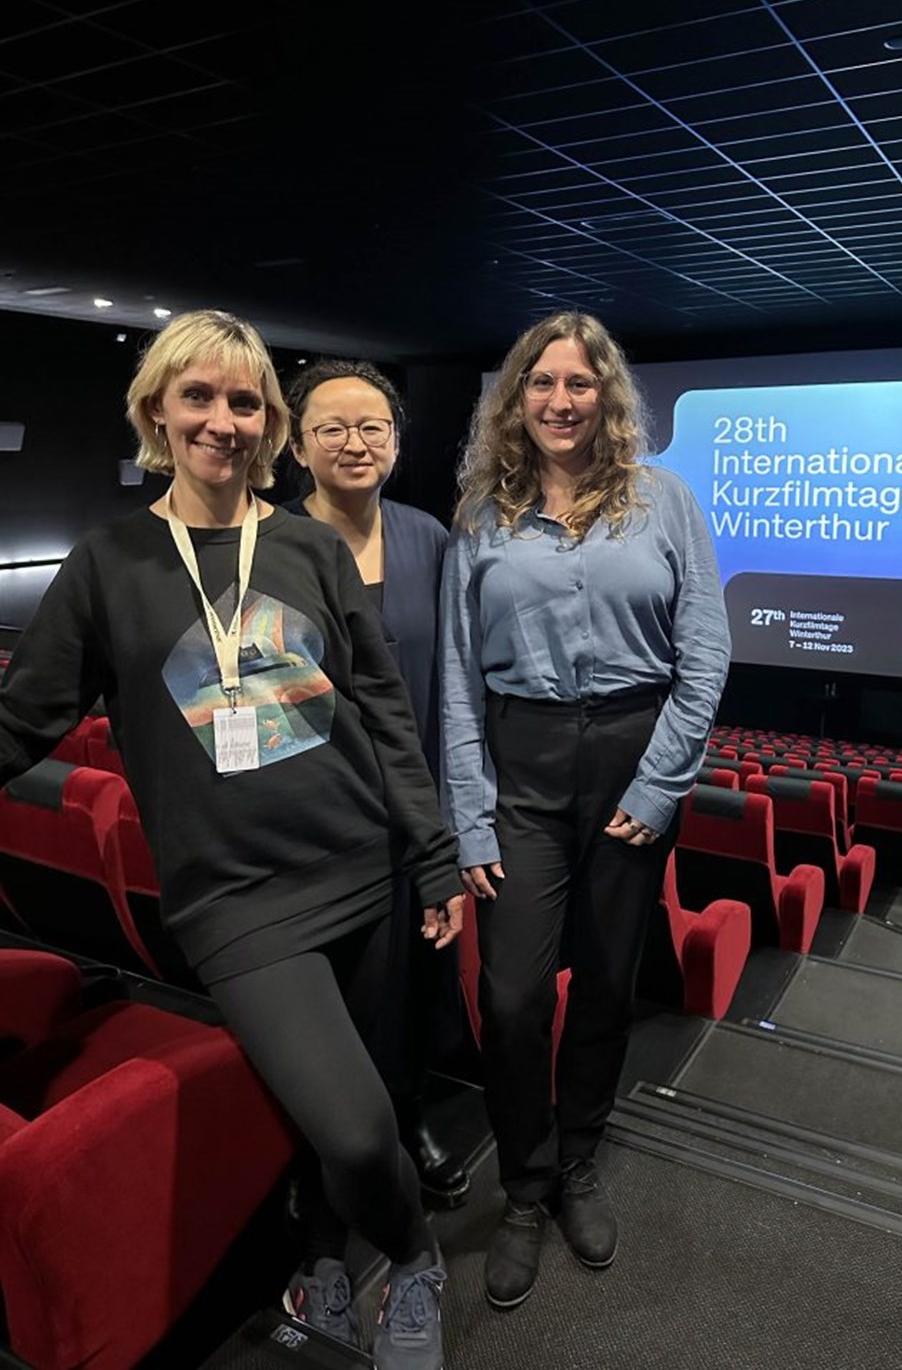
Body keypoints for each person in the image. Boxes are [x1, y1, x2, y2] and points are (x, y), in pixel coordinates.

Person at [0, 310, 461, 1369]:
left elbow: (384, 710)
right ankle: (416, 1255)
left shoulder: (304, 544)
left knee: (371, 1097)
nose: (222, 419)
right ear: (155, 410)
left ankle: (327, 1260)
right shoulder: (109, 562)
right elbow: (25, 719)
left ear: (269, 423)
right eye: (197, 396)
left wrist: (430, 850)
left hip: (361, 863)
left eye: (245, 401)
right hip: (237, 904)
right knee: (351, 1127)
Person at [439, 310, 731, 1309]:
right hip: (517, 759)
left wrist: (658, 784)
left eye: (579, 383)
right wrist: (469, 815)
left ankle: (576, 1162)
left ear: (604, 395)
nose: (561, 401)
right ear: (513, 399)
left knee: (606, 981)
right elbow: (451, 678)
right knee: (514, 996)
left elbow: (703, 654)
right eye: (541, 383)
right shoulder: (480, 513)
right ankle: (521, 1183)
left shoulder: (665, 502)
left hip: (629, 752)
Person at [282, 358, 470, 1215]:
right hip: (323, 822)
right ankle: (329, 1149)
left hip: (420, 817)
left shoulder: (430, 538)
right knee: (341, 994)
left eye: (374, 428)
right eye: (334, 427)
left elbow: (452, 684)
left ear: (397, 441)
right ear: (296, 443)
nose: (356, 443)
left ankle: (408, 1114)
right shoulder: (270, 546)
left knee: (419, 982)